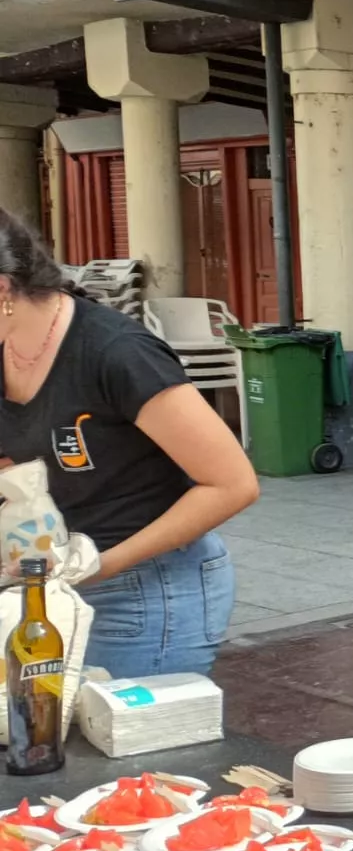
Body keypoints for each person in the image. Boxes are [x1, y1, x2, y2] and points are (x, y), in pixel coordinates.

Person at [0, 212, 260, 678]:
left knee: (123, 743)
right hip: (52, 583)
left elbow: (232, 484)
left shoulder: (117, 352)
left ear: (2, 291)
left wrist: (98, 565)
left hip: (146, 590)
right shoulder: (8, 346)